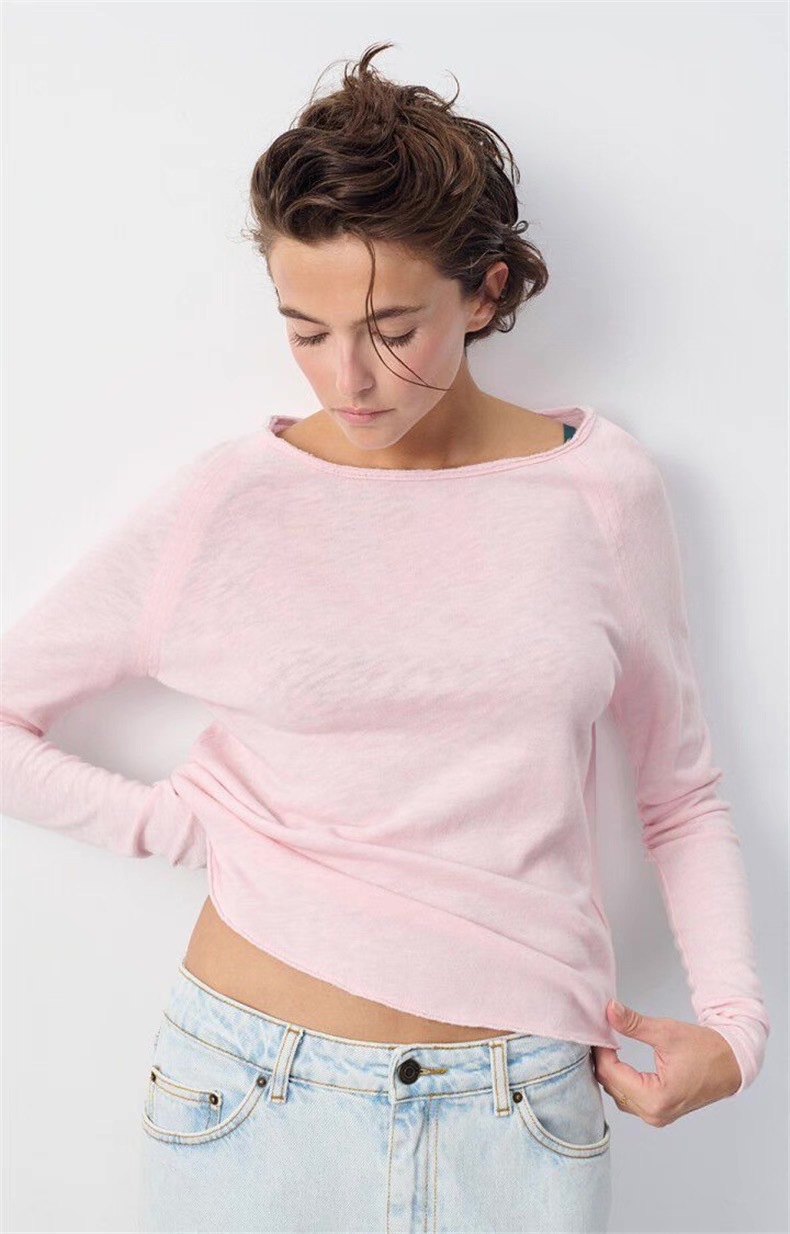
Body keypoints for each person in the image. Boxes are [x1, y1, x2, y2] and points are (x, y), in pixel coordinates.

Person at [0, 41, 769, 1234]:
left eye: (391, 326)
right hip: (249, 1099)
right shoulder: (229, 502)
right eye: (304, 330)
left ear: (487, 292)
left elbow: (677, 791)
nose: (347, 379)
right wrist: (185, 828)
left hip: (519, 1112)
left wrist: (733, 1026)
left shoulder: (601, 492)